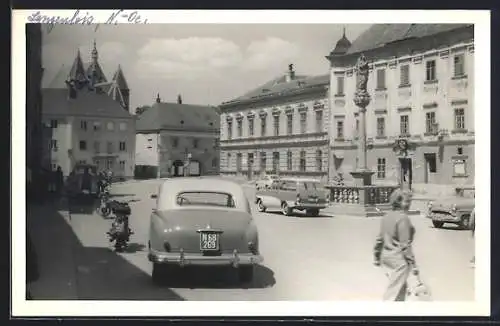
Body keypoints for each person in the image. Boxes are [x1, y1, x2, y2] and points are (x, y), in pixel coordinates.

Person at [373, 189, 418, 301]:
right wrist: (413, 264)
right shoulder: (403, 218)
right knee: (392, 294)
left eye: (409, 201)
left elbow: (379, 239)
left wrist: (377, 256)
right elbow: (405, 245)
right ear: (398, 202)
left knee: (400, 289)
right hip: (398, 261)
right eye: (406, 201)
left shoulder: (386, 217)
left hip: (386, 258)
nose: (408, 204)